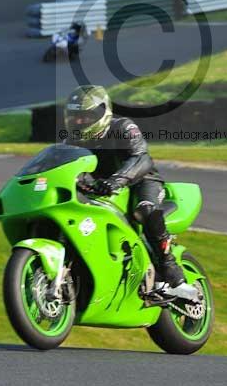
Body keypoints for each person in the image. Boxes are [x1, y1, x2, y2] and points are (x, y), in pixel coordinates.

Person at [64, 84, 185, 288]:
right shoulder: (72, 142)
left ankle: (169, 267)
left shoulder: (122, 127)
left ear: (102, 112)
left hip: (142, 182)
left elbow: (141, 158)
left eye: (85, 116)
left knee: (145, 210)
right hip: (103, 190)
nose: (79, 121)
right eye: (75, 116)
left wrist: (115, 181)